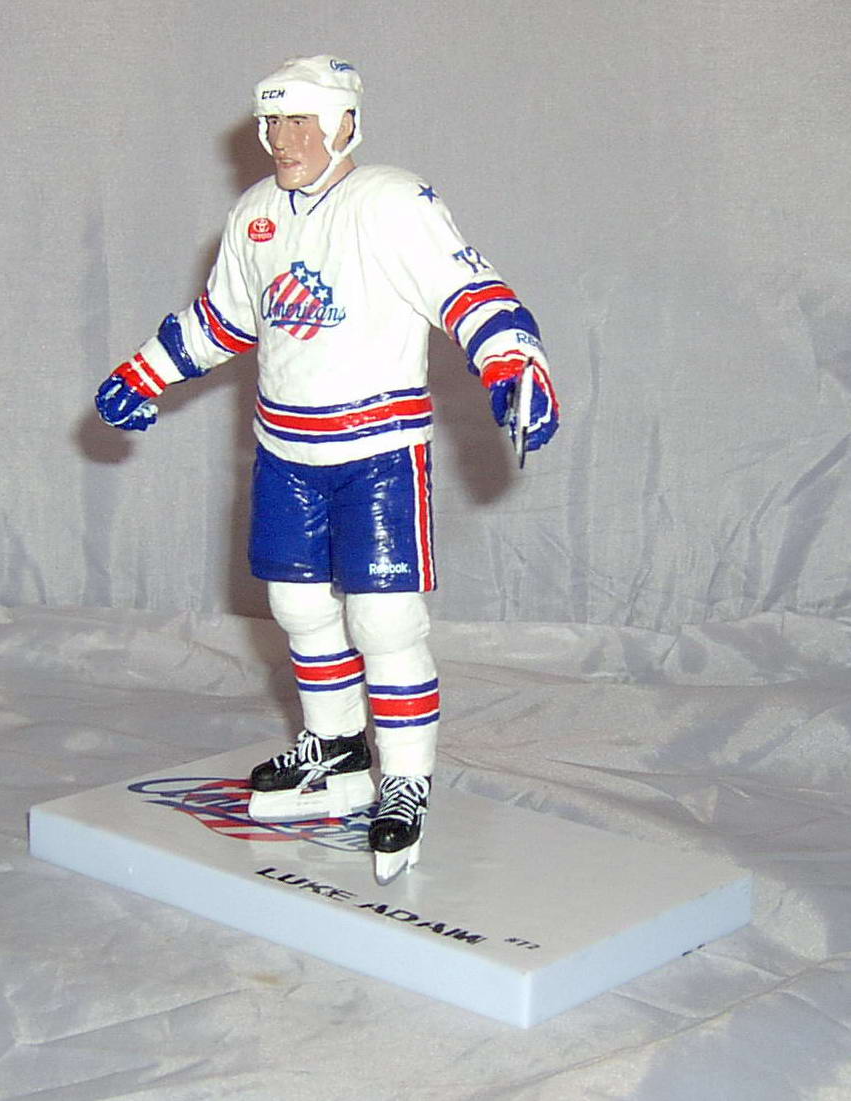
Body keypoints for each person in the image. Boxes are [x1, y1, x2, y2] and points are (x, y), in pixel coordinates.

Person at [95, 54, 559, 885]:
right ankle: (336, 748)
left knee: (384, 621)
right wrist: (147, 372)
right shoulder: (254, 213)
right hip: (285, 450)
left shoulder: (390, 202)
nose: (285, 138)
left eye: (303, 120)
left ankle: (405, 777)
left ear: (347, 123)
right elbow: (225, 318)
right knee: (298, 607)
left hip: (377, 452)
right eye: (274, 121)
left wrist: (513, 360)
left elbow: (466, 291)